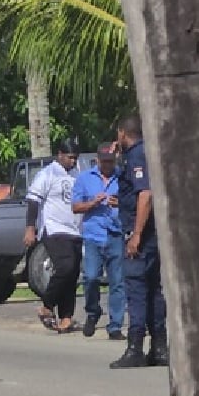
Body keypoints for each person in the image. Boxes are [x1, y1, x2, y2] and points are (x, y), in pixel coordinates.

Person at [111, 115, 167, 369]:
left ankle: (135, 348)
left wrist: (136, 235)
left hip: (142, 236)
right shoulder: (147, 152)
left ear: (123, 133)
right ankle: (159, 347)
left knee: (136, 290)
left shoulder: (136, 155)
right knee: (155, 290)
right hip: (154, 235)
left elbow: (145, 195)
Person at [25, 138, 83, 334]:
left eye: (75, 158)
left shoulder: (76, 174)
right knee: (64, 267)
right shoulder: (47, 174)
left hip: (74, 229)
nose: (73, 161)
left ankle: (66, 317)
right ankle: (47, 306)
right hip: (54, 228)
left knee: (73, 273)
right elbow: (33, 201)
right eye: (70, 157)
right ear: (60, 154)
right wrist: (30, 228)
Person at [72, 142, 125, 340]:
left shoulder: (122, 177)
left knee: (117, 282)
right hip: (93, 235)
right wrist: (92, 203)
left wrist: (119, 202)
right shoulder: (85, 179)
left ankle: (115, 326)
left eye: (111, 162)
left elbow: (133, 202)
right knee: (91, 277)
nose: (108, 165)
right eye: (104, 162)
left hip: (115, 234)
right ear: (97, 160)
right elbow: (75, 207)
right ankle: (93, 312)